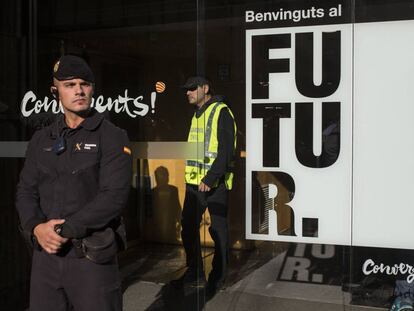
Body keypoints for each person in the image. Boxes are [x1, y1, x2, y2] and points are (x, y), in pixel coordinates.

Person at [16, 55, 132, 311]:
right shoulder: (41, 139)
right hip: (46, 257)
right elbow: (25, 191)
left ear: (92, 88)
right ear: (55, 90)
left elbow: (114, 196)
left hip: (91, 258)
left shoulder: (112, 136)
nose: (79, 90)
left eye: (84, 84)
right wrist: (36, 228)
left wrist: (63, 230)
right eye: (69, 85)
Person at [174, 76, 237, 296]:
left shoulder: (221, 112)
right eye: (186, 89)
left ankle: (218, 277)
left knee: (218, 231)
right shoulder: (197, 115)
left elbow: (228, 151)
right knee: (188, 227)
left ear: (206, 89)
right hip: (194, 184)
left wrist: (210, 179)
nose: (188, 92)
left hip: (214, 184)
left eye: (192, 88)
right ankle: (195, 270)